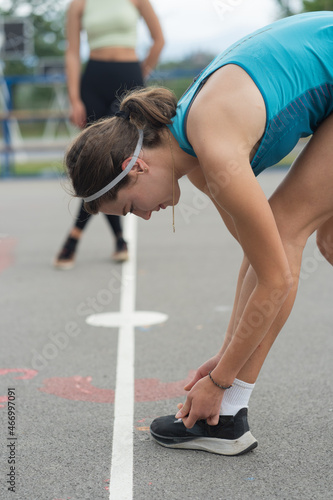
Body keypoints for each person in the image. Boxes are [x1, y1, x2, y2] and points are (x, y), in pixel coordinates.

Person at [64, 11, 333, 455]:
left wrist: (222, 381)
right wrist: (228, 352)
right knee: (321, 240)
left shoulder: (212, 142)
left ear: (137, 166)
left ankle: (226, 414)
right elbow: (255, 258)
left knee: (287, 229)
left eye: (132, 208)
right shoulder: (197, 161)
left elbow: (276, 276)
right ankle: (227, 409)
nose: (145, 218)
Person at [54, 0, 164, 269]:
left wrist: (141, 74)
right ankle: (119, 239)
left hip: (129, 78)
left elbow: (159, 40)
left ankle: (75, 236)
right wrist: (73, 98)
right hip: (93, 81)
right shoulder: (78, 4)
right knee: (96, 161)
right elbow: (72, 52)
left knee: (116, 161)